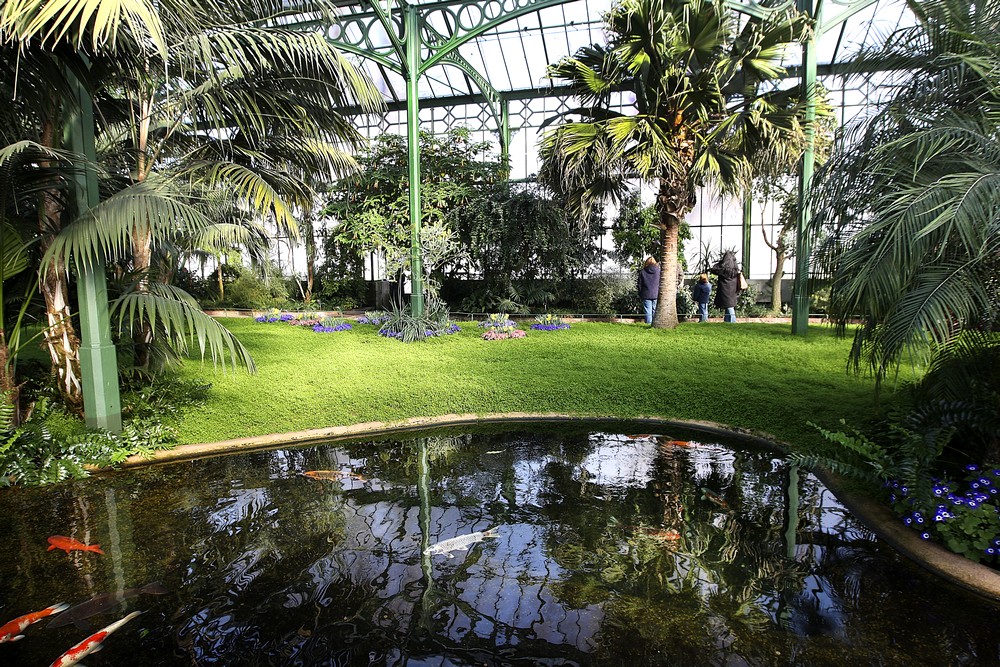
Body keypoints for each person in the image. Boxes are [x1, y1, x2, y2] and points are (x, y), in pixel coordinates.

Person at [709, 250, 740, 323]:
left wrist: (720, 262)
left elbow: (713, 269)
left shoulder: (723, 269)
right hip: (733, 289)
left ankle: (733, 321)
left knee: (729, 307)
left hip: (725, 289)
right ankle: (727, 321)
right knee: (729, 305)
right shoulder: (735, 269)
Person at [637, 256, 660, 325]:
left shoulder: (642, 272)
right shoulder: (659, 271)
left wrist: (640, 292)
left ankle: (648, 324)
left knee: (648, 311)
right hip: (656, 293)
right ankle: (655, 324)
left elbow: (639, 284)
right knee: (655, 310)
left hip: (646, 294)